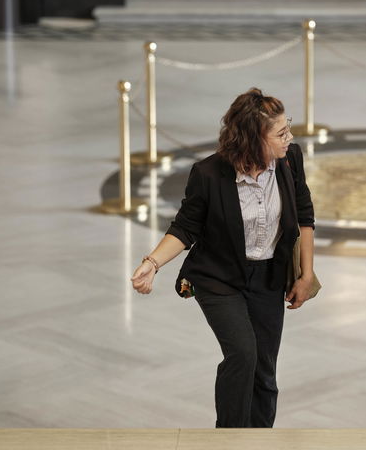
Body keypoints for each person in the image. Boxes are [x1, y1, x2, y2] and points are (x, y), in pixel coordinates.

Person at [130, 87, 317, 428]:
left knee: (264, 368)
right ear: (252, 140)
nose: (289, 137)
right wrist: (152, 262)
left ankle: (259, 438)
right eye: (280, 133)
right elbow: (186, 227)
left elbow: (304, 214)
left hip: (268, 278)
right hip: (219, 278)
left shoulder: (290, 159)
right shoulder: (209, 174)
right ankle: (229, 439)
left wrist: (306, 274)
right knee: (243, 354)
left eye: (287, 127)